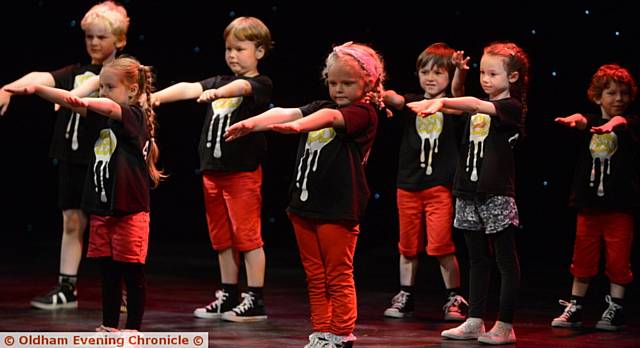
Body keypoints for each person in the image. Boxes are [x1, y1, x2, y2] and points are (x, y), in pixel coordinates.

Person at [225, 41, 385, 348]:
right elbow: (285, 112)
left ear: (367, 83)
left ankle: (341, 332)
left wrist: (299, 127)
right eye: (333, 82)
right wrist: (251, 124)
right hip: (304, 206)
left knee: (337, 273)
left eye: (347, 83)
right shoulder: (322, 105)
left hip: (338, 208)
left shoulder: (364, 113)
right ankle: (322, 329)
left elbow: (328, 120)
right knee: (314, 274)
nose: (338, 89)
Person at [7, 56, 162, 331]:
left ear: (132, 90)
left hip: (130, 212)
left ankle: (133, 329)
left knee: (132, 273)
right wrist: (36, 90)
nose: (103, 92)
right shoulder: (105, 121)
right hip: (103, 210)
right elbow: (68, 101)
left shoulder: (135, 118)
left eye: (109, 87)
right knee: (109, 273)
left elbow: (95, 104)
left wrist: (88, 101)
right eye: (100, 86)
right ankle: (110, 326)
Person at [0, 0, 129, 310]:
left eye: (101, 37)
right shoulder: (76, 71)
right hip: (72, 158)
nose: (94, 43)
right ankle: (67, 287)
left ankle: (120, 289)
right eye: (89, 37)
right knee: (71, 221)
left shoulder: (121, 74)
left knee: (107, 224)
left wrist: (72, 99)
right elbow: (40, 76)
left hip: (102, 159)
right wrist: (7, 89)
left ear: (119, 40)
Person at [150, 16, 272, 322]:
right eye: (228, 48)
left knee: (248, 237)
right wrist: (156, 98)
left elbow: (243, 87)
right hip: (212, 173)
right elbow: (189, 87)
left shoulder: (260, 84)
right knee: (222, 238)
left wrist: (218, 94)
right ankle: (228, 294)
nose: (232, 55)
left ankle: (254, 298)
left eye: (240, 49)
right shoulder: (217, 80)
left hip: (241, 173)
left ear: (259, 52)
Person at [408, 41, 529, 345]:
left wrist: (440, 103)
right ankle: (475, 320)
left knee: (504, 260)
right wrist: (454, 88)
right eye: (483, 73)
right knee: (476, 259)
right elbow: (466, 102)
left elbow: (473, 104)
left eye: (493, 74)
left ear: (512, 78)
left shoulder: (511, 107)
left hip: (496, 192)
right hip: (468, 191)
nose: (486, 79)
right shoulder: (475, 106)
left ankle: (504, 324)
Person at [382, 42, 469, 321]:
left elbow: (457, 95)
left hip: (439, 187)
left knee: (441, 245)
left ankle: (454, 297)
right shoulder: (413, 102)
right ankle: (405, 295)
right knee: (407, 246)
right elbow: (395, 99)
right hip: (407, 186)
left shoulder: (452, 108)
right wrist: (379, 91)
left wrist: (459, 74)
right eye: (424, 71)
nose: (430, 78)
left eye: (439, 73)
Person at [551, 64, 638, 332]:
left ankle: (616, 308)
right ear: (598, 96)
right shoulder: (591, 122)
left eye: (623, 93)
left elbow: (621, 122)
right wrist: (574, 120)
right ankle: (576, 306)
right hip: (588, 207)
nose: (619, 99)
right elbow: (583, 119)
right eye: (611, 93)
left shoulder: (629, 124)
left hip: (620, 207)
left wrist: (611, 123)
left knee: (618, 259)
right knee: (583, 257)